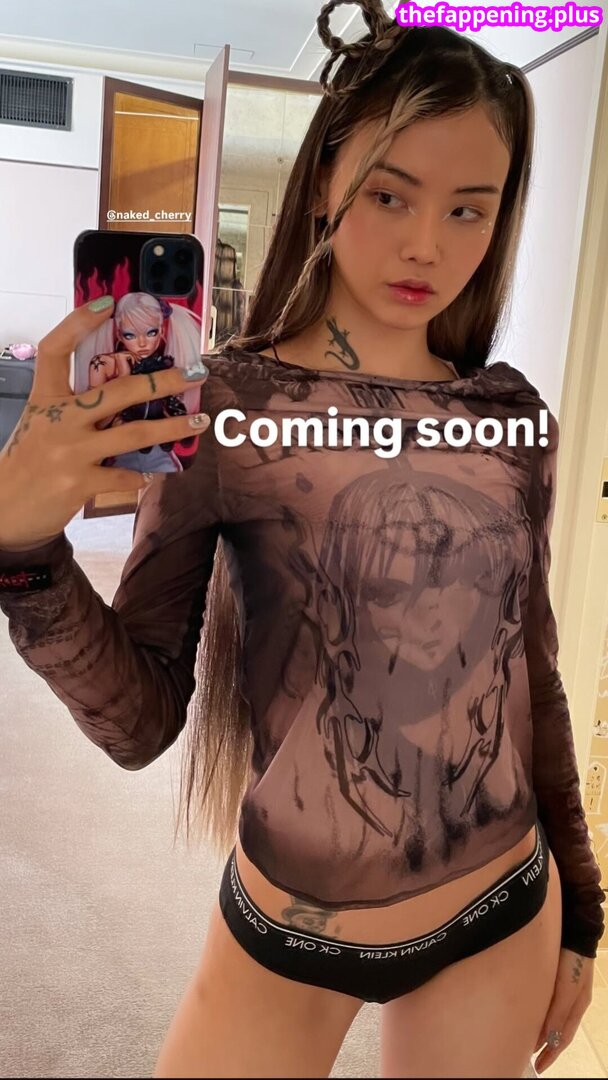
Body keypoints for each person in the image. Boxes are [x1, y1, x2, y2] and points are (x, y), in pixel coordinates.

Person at [0, 2, 604, 1077]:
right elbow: (140, 724)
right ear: (324, 178)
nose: (426, 245)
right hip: (291, 927)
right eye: (390, 194)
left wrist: (584, 913)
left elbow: (532, 674)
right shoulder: (222, 407)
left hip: (501, 900)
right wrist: (25, 553)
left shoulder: (511, 418)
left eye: (468, 209)